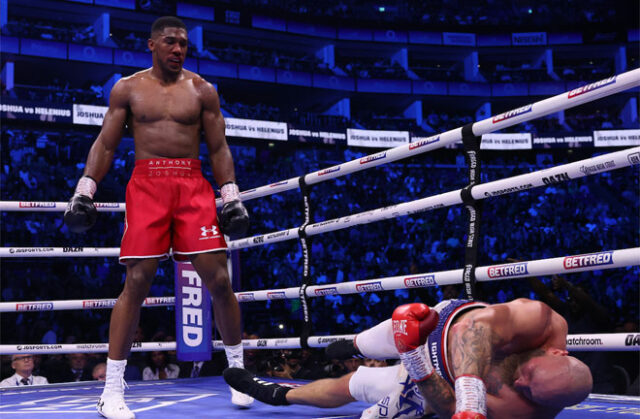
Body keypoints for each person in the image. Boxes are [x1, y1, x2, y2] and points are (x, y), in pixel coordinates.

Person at [63, 16, 253, 418]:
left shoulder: (202, 90)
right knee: (137, 280)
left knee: (218, 277)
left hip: (192, 183)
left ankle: (239, 374)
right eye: (170, 42)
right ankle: (112, 390)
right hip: (147, 184)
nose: (178, 49)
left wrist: (230, 196)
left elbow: (218, 148)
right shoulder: (128, 88)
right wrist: (85, 190)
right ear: (151, 45)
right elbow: (107, 143)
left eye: (183, 44)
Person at [224, 298, 593, 418]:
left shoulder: (528, 409)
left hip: (432, 373)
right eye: (527, 373)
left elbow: (447, 406)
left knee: (359, 385)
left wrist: (417, 364)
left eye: (527, 390)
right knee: (369, 342)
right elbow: (475, 329)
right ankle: (355, 345)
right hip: (442, 323)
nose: (519, 382)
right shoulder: (542, 321)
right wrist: (471, 395)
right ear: (555, 352)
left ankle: (279, 394)